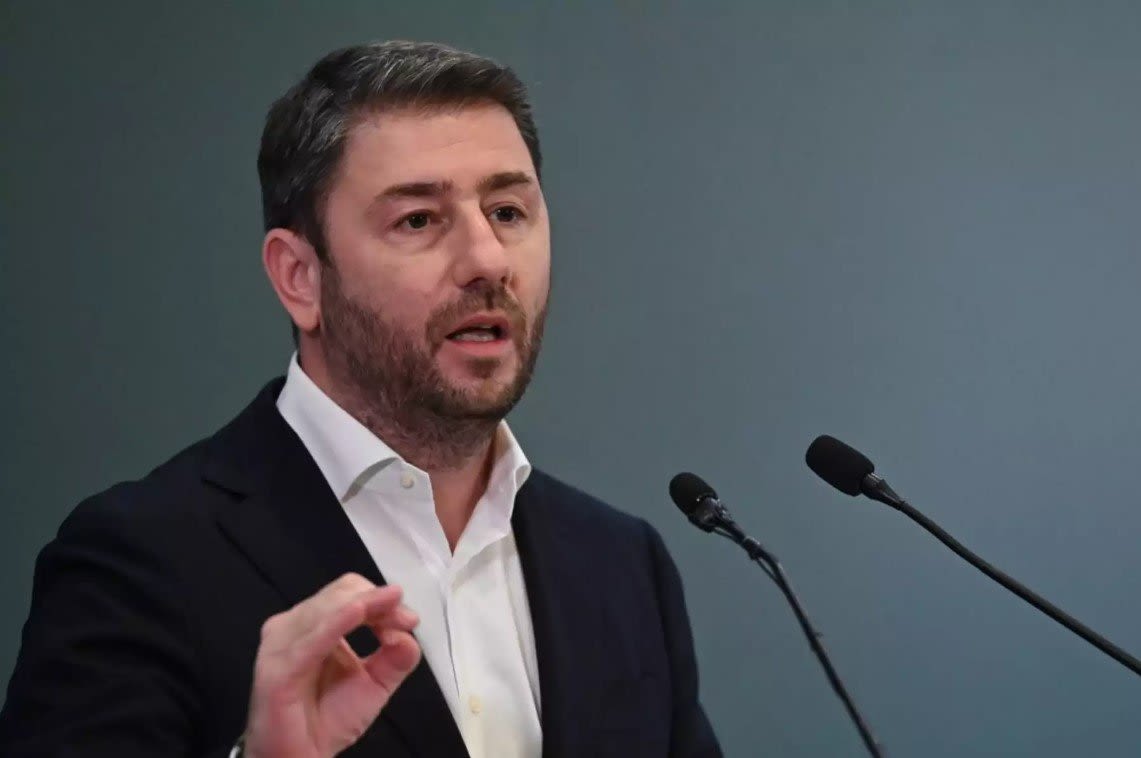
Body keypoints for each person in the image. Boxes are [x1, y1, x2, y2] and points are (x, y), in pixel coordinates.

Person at [0, 40, 722, 758]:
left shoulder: (620, 565)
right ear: (299, 278)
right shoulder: (141, 560)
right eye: (418, 220)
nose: (487, 260)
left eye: (507, 212)